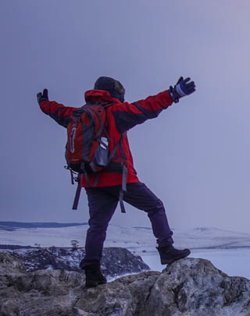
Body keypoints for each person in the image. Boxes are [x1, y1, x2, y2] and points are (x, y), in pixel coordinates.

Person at [37, 76, 196, 287]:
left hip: (92, 180)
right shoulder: (115, 113)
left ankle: (92, 273)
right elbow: (147, 107)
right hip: (119, 178)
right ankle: (166, 249)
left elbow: (58, 111)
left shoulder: (78, 114)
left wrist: (43, 103)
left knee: (97, 227)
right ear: (116, 93)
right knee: (155, 206)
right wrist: (174, 94)